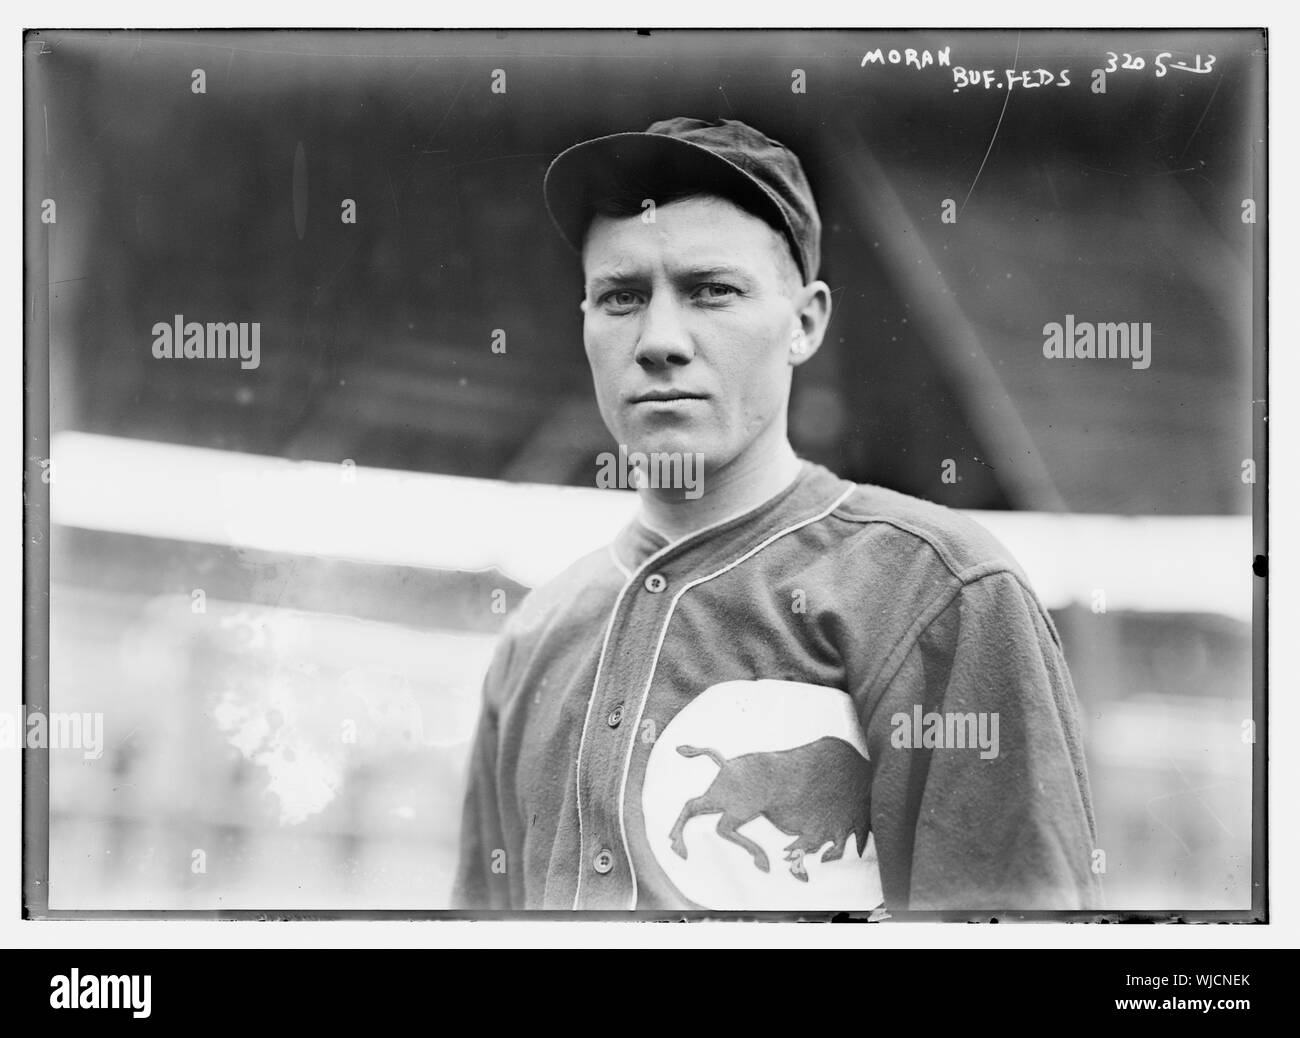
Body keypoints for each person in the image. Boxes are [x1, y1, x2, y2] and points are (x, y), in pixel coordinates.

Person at [452, 116, 1100, 912]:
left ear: (805, 322)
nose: (659, 339)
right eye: (620, 297)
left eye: (711, 291)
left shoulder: (939, 588)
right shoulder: (533, 637)